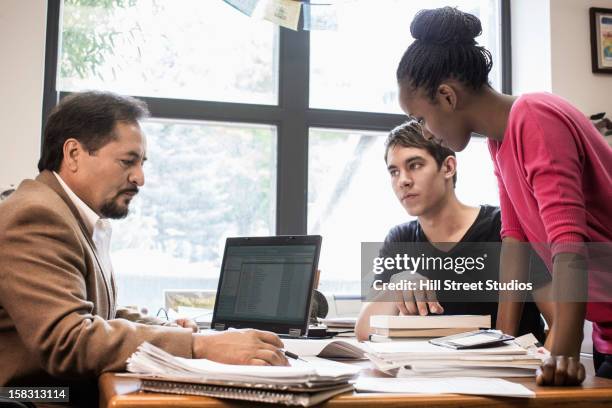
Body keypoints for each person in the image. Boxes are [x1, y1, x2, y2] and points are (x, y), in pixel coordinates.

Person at [0, 91, 287, 404]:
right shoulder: (36, 216)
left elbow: (94, 313)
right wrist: (199, 345)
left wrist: (171, 330)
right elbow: (68, 341)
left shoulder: (65, 213)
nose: (139, 177)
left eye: (141, 163)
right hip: (32, 396)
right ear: (72, 154)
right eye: (127, 162)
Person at [395, 6, 612, 385]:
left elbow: (568, 243)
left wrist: (563, 349)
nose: (425, 133)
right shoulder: (499, 142)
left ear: (447, 97)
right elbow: (515, 242)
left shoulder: (535, 115)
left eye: (420, 119)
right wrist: (501, 345)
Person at [355, 121, 545, 342]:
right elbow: (363, 331)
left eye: (415, 165)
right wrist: (397, 283)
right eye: (394, 172)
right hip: (436, 373)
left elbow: (559, 322)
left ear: (448, 167)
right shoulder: (400, 239)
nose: (403, 181)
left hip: (512, 371)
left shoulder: (504, 227)